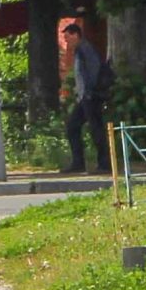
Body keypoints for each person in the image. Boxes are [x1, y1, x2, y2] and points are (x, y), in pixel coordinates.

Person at [59, 20, 112, 175]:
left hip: (90, 96)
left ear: (76, 35)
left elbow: (94, 69)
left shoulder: (85, 49)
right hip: (84, 97)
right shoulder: (79, 50)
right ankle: (78, 163)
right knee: (73, 126)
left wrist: (89, 90)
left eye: (68, 37)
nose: (66, 41)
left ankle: (104, 164)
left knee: (96, 129)